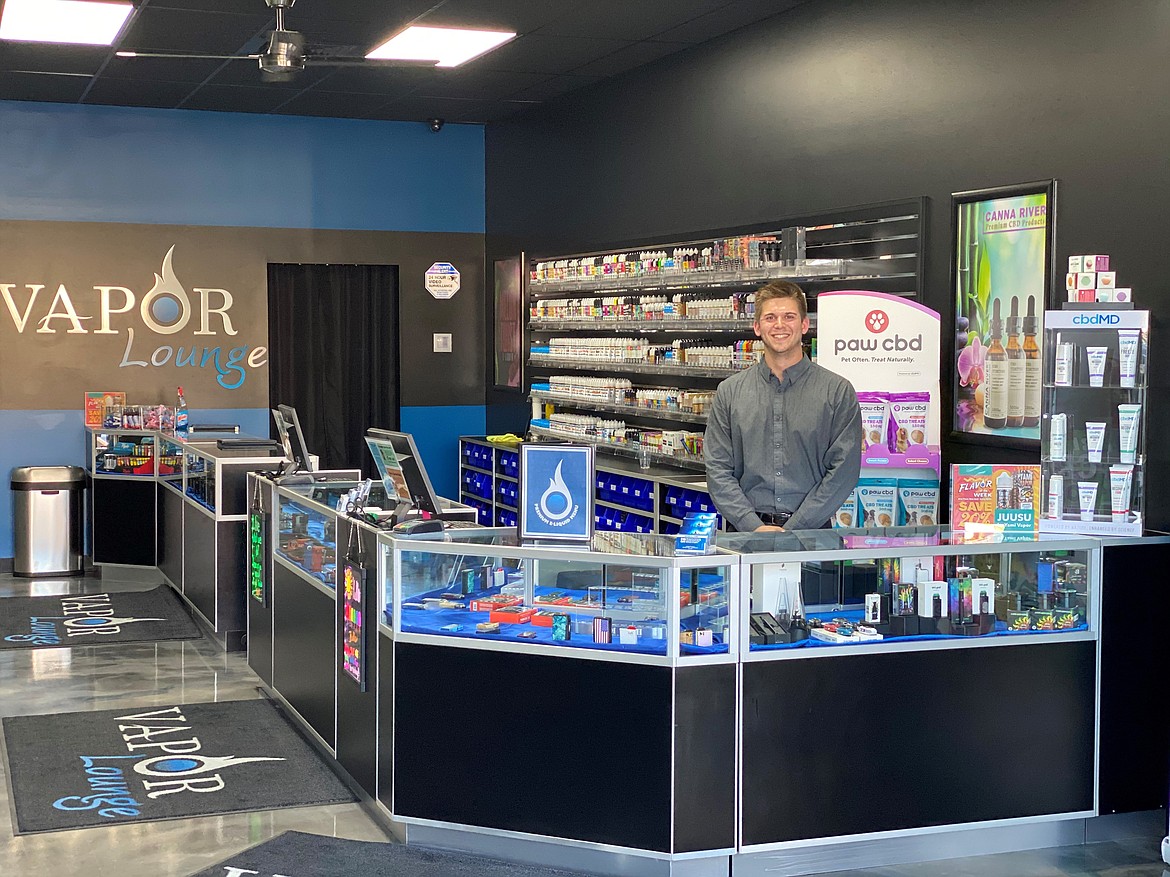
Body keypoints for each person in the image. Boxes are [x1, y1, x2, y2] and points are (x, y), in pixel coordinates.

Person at [704, 280, 861, 531]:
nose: (779, 325)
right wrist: (751, 525)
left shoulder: (837, 391)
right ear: (757, 327)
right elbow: (717, 468)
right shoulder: (730, 392)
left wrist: (796, 527)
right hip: (747, 536)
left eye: (789, 316)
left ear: (804, 325)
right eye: (770, 317)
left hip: (812, 538)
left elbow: (844, 472)